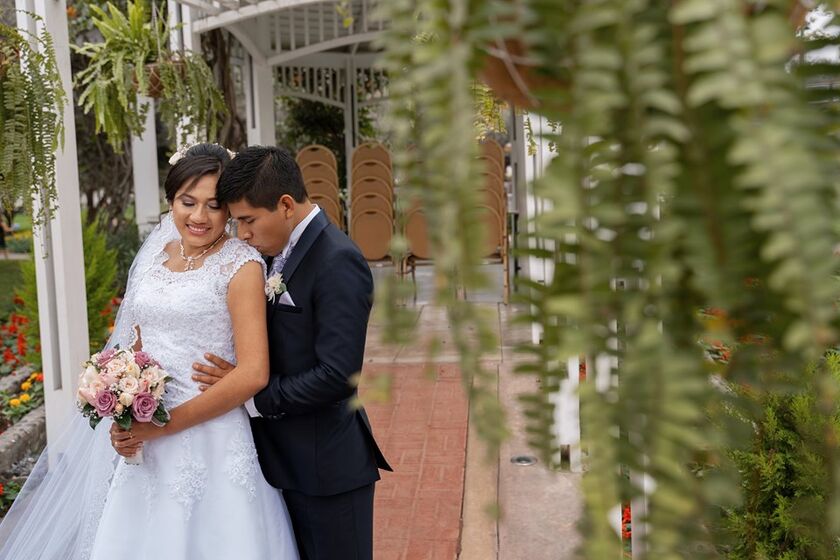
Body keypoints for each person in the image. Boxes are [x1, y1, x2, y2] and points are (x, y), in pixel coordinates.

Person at [0, 144, 298, 560]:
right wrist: (123, 404)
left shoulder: (242, 265)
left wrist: (165, 426)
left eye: (214, 205)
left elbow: (253, 374)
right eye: (187, 202)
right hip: (147, 435)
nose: (199, 217)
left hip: (211, 437)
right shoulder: (156, 255)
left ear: (230, 208)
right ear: (171, 200)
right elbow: (137, 342)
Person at [189, 145, 392, 560]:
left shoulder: (338, 260)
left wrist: (251, 392)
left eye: (247, 220)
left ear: (285, 205)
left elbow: (337, 375)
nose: (242, 234)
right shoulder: (274, 255)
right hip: (282, 463)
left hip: (327, 471)